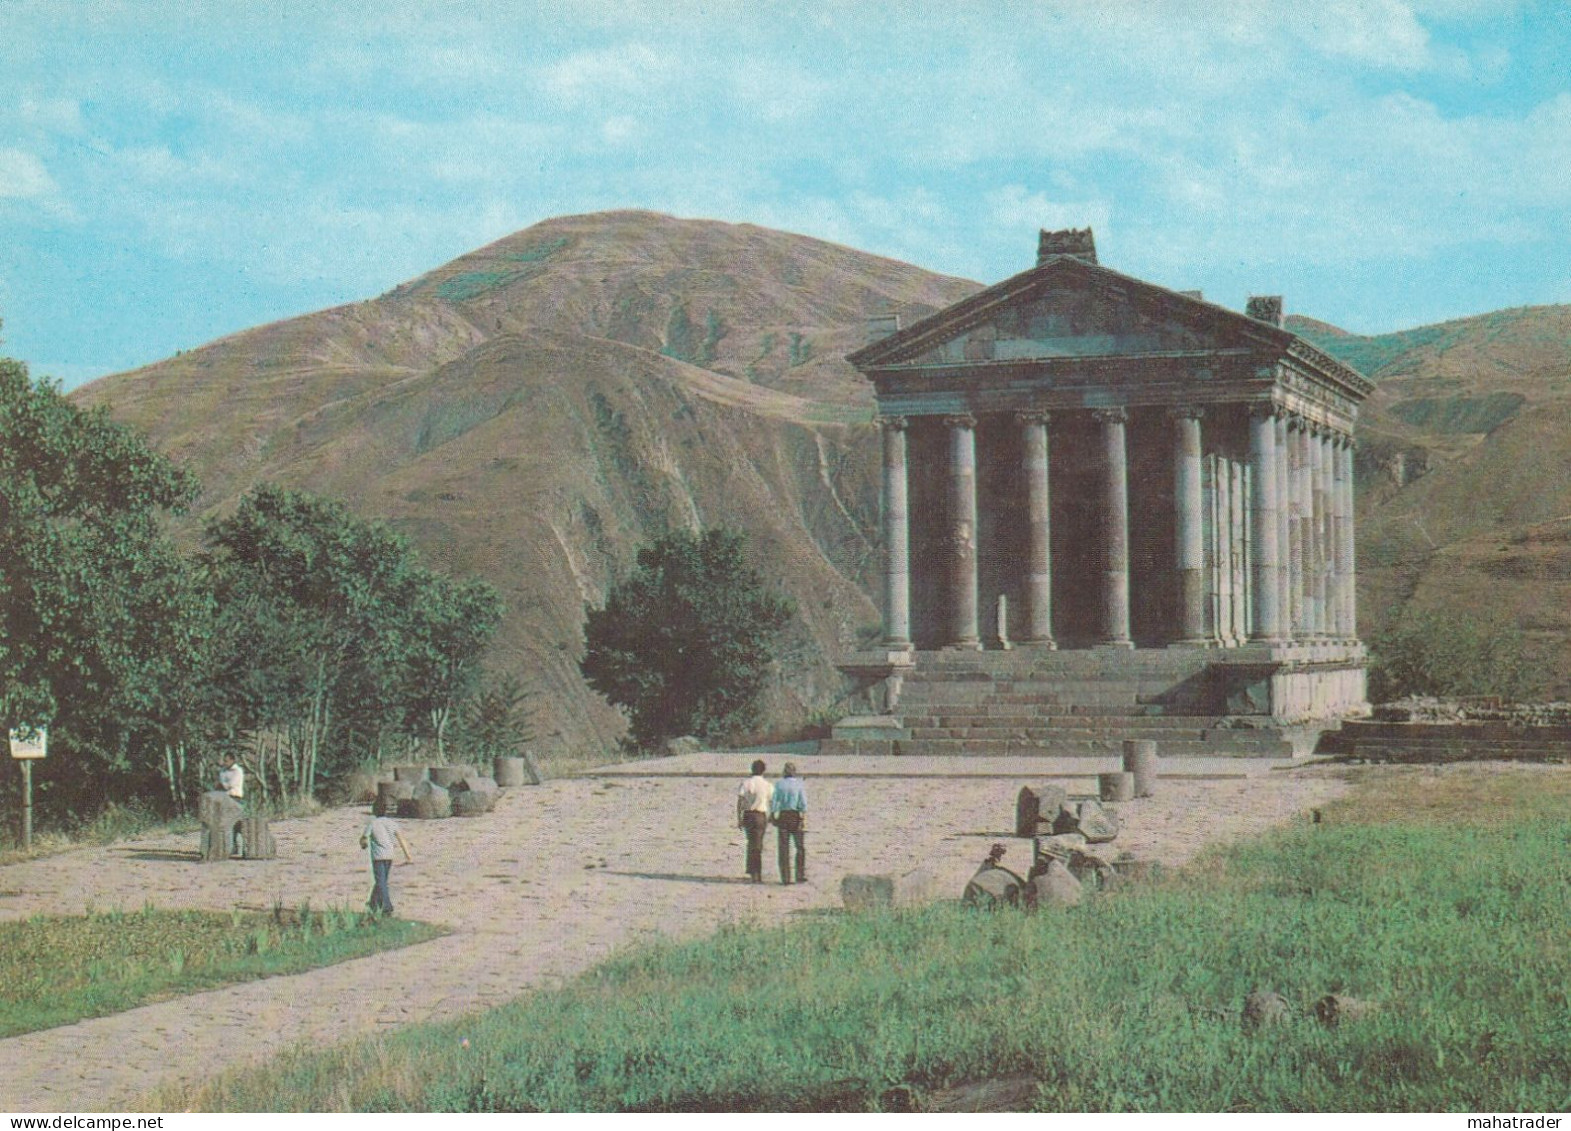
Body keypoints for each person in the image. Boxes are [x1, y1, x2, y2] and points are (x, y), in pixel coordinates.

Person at [360, 813, 413, 916]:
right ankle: (373, 903)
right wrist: (408, 855)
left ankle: (387, 907)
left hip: (378, 857)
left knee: (380, 881)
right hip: (389, 855)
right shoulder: (392, 823)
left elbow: (364, 839)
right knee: (382, 881)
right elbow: (401, 839)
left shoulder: (372, 823)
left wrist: (363, 844)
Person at [736, 758, 773, 883]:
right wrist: (772, 815)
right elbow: (772, 801)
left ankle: (752, 870)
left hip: (748, 815)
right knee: (758, 845)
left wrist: (739, 818)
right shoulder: (767, 784)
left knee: (751, 842)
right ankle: (757, 872)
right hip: (760, 815)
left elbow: (740, 801)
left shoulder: (746, 783)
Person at [770, 761, 807, 885]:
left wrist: (773, 816)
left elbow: (774, 802)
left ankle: (785, 877)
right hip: (795, 815)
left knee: (783, 848)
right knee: (800, 847)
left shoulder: (779, 784)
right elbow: (803, 803)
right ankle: (800, 874)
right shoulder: (799, 784)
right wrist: (802, 818)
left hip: (783, 815)